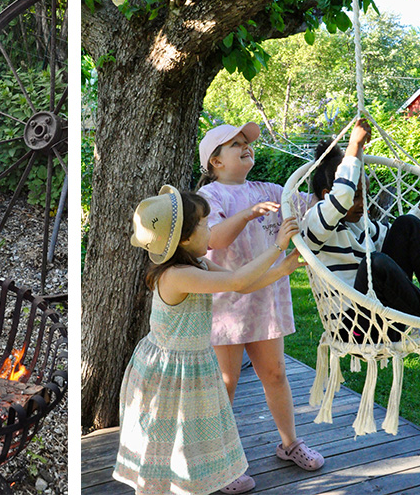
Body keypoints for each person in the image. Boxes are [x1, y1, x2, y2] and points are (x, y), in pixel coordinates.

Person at [115, 186, 304, 495]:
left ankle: (198, 482)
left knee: (192, 438)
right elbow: (236, 280)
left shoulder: (197, 265)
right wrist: (276, 247)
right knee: (165, 441)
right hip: (168, 371)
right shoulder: (176, 275)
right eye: (205, 223)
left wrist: (282, 268)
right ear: (184, 238)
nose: (210, 229)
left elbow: (242, 285)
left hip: (189, 365)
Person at [196, 123, 324, 472]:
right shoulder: (211, 197)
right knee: (227, 382)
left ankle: (290, 443)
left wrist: (330, 173)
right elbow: (215, 240)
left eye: (247, 143)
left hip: (266, 298)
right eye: (235, 144)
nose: (246, 147)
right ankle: (215, 459)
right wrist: (250, 212)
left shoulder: (270, 189)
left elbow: (313, 207)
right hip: (227, 303)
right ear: (216, 162)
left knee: (275, 373)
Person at [303, 119, 420, 340]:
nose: (363, 203)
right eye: (357, 195)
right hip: (355, 329)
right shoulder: (314, 223)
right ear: (328, 194)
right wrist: (354, 146)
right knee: (374, 262)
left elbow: (403, 238)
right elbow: (342, 196)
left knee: (407, 224)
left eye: (366, 195)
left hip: (386, 316)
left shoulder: (361, 225)